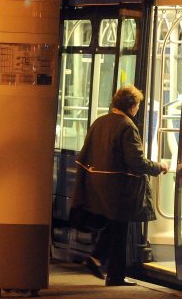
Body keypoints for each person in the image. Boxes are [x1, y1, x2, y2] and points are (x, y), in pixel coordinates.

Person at [70, 85, 168, 286]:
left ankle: (101, 263)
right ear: (132, 106)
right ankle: (114, 276)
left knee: (114, 229)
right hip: (120, 190)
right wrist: (159, 167)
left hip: (99, 188)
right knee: (120, 231)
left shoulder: (100, 122)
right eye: (138, 105)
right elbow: (137, 162)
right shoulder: (126, 126)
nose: (138, 109)